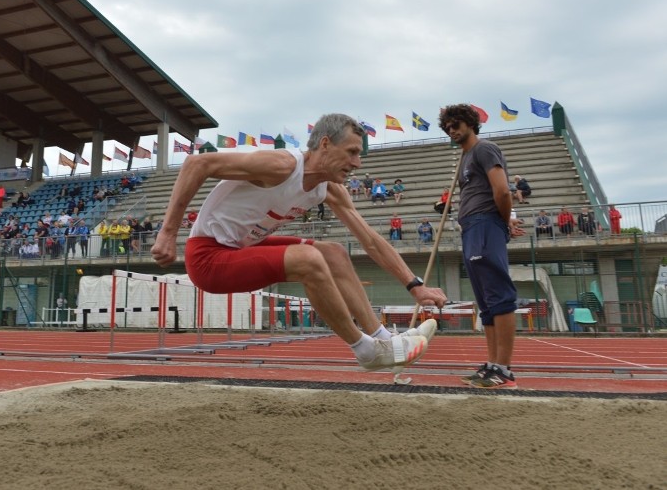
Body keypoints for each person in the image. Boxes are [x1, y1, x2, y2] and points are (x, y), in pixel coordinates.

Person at [151, 113, 446, 372]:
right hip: (208, 258)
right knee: (309, 258)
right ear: (326, 144)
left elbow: (370, 240)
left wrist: (415, 286)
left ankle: (383, 341)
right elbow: (196, 163)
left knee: (333, 252)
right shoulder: (280, 166)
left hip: (241, 250)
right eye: (352, 152)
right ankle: (365, 350)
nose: (357, 163)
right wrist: (168, 233)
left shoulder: (329, 189)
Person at [440, 104, 525, 389]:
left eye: (457, 124)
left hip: (486, 224)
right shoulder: (465, 159)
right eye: (448, 127)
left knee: (498, 296)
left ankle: (504, 369)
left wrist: (503, 222)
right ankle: (491, 365)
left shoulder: (484, 149)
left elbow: (501, 190)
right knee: (486, 302)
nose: (452, 130)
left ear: (471, 123)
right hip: (473, 228)